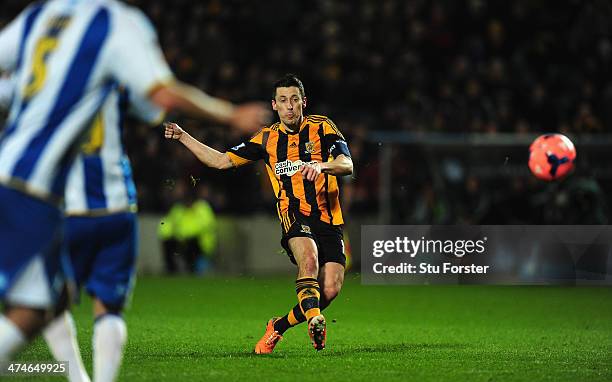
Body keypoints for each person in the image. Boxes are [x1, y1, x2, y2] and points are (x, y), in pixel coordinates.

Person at [0, 0, 269, 371]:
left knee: (40, 304)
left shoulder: (40, 15)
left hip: (25, 181)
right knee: (74, 306)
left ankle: (78, 378)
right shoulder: (117, 24)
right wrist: (231, 114)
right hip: (91, 198)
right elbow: (160, 99)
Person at [164, 74, 353, 353]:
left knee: (330, 289)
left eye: (294, 100)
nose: (289, 106)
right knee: (309, 260)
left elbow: (346, 163)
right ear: (274, 105)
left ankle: (278, 327)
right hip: (294, 214)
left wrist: (322, 167)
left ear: (304, 102)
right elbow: (220, 161)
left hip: (328, 217)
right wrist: (183, 136)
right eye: (283, 101)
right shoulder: (266, 139)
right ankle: (315, 319)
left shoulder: (322, 127)